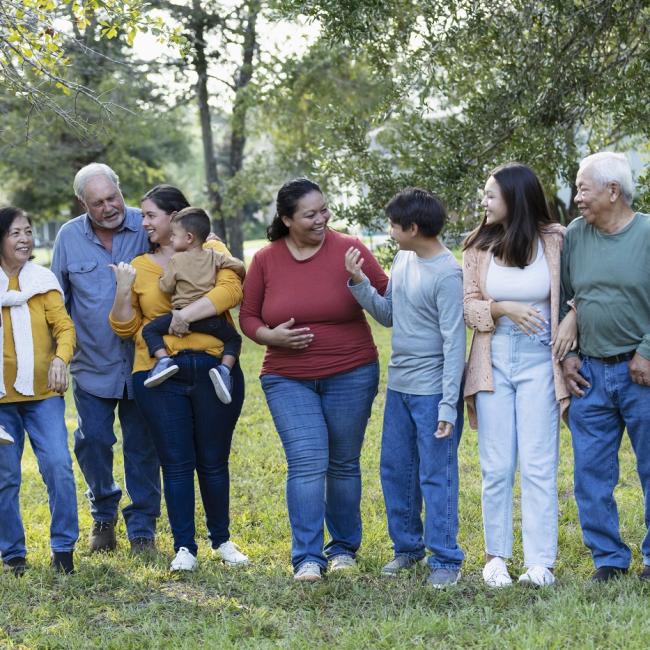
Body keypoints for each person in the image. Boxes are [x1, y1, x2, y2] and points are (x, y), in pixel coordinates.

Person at [239, 178, 388, 582]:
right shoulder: (266, 260)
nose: (323, 218)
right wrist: (270, 336)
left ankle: (342, 548)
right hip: (288, 377)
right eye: (311, 213)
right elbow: (248, 317)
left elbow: (388, 301)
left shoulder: (349, 248)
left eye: (324, 209)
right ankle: (307, 556)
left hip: (352, 372)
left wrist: (359, 282)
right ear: (287, 220)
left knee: (342, 463)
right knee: (306, 461)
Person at [109, 184, 249, 572]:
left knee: (214, 460)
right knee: (175, 462)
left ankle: (221, 540)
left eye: (150, 214)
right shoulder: (140, 265)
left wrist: (185, 316)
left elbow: (232, 289)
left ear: (176, 219)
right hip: (158, 375)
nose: (143, 222)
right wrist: (123, 291)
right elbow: (125, 327)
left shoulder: (214, 252)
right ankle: (184, 546)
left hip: (211, 366)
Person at [345, 188, 466, 588]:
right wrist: (359, 281)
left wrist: (449, 405)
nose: (390, 232)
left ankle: (445, 559)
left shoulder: (448, 273)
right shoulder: (402, 258)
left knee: (436, 474)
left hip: (434, 392)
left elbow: (454, 342)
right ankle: (408, 549)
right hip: (399, 386)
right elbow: (389, 314)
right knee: (396, 470)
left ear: (413, 228)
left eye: (394, 226)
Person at [463, 163, 576, 588]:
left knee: (538, 463)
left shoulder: (556, 240)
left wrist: (572, 320)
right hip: (493, 360)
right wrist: (503, 307)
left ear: (516, 197)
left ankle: (540, 562)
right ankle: (496, 558)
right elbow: (469, 306)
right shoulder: (477, 246)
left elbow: (576, 291)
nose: (485, 202)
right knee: (496, 465)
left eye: (492, 194)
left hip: (541, 361)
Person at [51, 163, 161, 554]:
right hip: (92, 363)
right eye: (97, 203)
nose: (108, 207)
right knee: (92, 441)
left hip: (143, 363)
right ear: (83, 203)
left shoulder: (146, 225)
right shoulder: (68, 237)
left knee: (142, 445)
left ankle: (143, 527)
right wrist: (60, 353)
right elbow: (57, 301)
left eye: (112, 197)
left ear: (120, 189)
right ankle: (103, 513)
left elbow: (189, 246)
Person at [561, 151, 650, 583]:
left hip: (641, 372)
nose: (577, 197)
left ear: (613, 191)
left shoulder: (648, 232)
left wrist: (647, 351)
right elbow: (566, 297)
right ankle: (609, 559)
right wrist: (569, 354)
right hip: (590, 374)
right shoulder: (576, 235)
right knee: (590, 473)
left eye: (583, 188)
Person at [0, 207, 78, 574]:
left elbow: (64, 328)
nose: (25, 239)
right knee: (5, 477)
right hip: (0, 403)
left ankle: (63, 548)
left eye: (28, 232)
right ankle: (13, 554)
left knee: (59, 467)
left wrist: (61, 359)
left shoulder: (42, 281)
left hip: (44, 395)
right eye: (16, 232)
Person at [141, 206, 245, 404]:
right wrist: (236, 268)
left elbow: (166, 287)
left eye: (174, 235)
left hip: (179, 316)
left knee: (150, 331)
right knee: (233, 340)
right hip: (210, 318)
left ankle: (164, 361)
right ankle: (224, 370)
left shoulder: (175, 261)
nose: (171, 239)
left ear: (188, 237)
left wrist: (164, 277)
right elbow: (238, 266)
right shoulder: (214, 256)